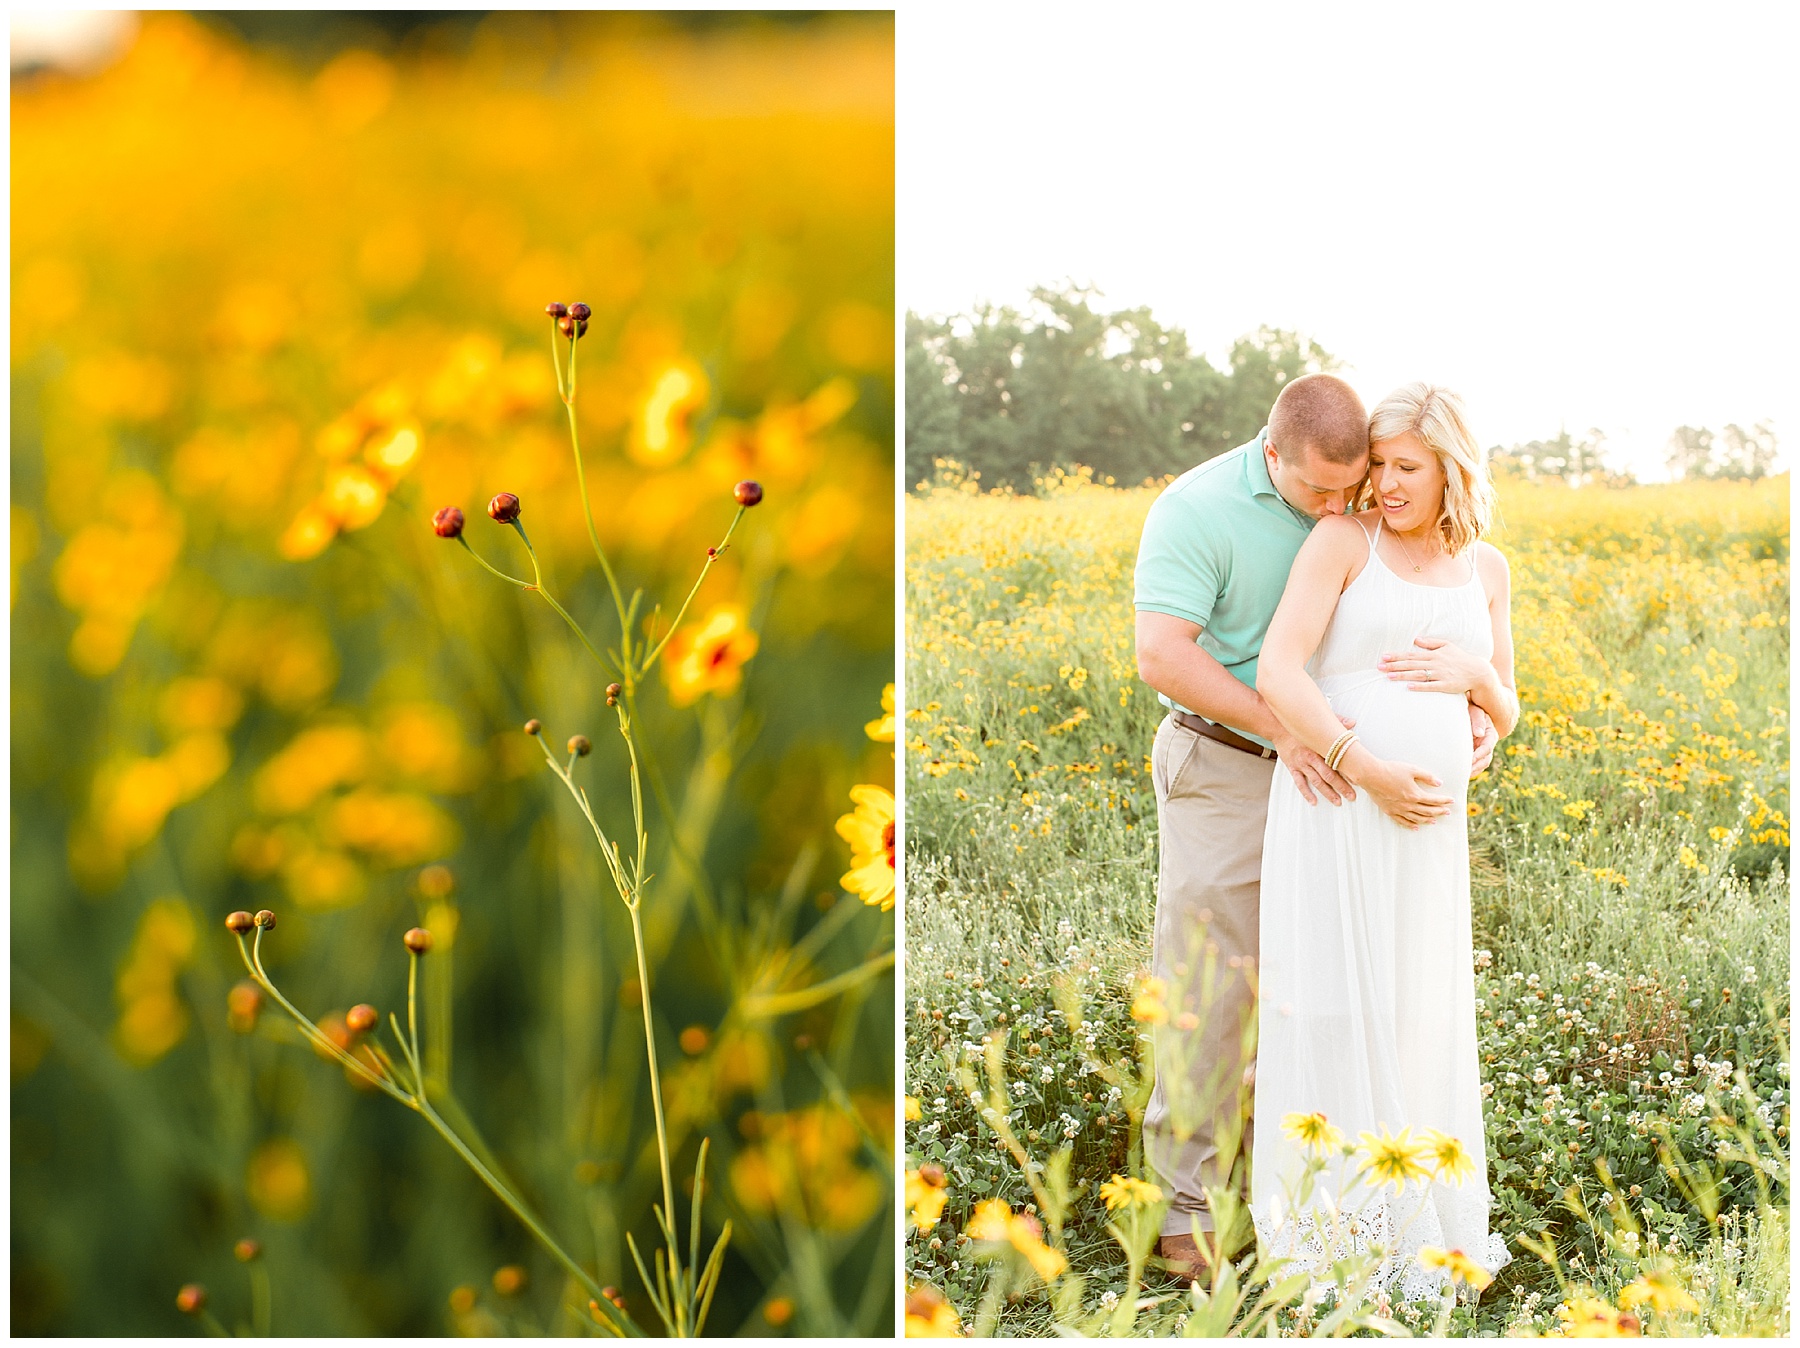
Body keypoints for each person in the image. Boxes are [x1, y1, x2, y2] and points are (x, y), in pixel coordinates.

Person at [1133, 374, 1497, 1277]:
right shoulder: (1199, 511)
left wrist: (1477, 698)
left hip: (1336, 784)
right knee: (1216, 986)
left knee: (1328, 984)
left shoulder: (1390, 521)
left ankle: (1301, 1182)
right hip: (1230, 759)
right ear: (1274, 453)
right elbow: (1162, 654)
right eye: (1326, 490)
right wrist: (1309, 740)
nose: (1352, 499)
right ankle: (1186, 1216)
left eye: (1364, 478)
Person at [1249, 382, 1516, 1301]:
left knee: (1416, 1008)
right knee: (1331, 1002)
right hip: (1339, 808)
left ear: (1454, 469)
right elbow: (1278, 667)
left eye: (1407, 468)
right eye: (1381, 466)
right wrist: (1366, 767)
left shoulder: (1488, 569)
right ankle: (1331, 1239)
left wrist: (1482, 680)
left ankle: (1423, 1231)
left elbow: (1507, 707)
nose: (1386, 485)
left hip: (1428, 831)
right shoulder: (1342, 542)